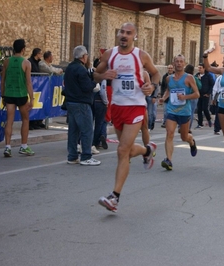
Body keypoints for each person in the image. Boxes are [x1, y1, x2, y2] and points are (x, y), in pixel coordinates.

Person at [95, 22, 161, 213]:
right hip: (117, 107)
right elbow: (95, 75)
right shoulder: (110, 54)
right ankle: (147, 151)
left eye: (128, 33)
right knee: (128, 150)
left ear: (135, 37)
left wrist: (153, 87)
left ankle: (114, 197)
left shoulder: (141, 56)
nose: (124, 35)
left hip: (136, 106)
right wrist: (104, 75)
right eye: (121, 32)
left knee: (122, 150)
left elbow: (156, 74)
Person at [158, 55, 200, 170]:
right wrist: (164, 98)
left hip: (184, 111)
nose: (179, 63)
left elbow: (197, 94)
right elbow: (169, 90)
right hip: (171, 110)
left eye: (181, 61)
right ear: (173, 63)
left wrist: (184, 97)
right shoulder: (169, 78)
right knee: (169, 133)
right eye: (177, 61)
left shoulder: (189, 78)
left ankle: (191, 142)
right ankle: (169, 160)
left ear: (184, 63)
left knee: (184, 136)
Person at [64, 46, 102, 165]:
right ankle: (86, 156)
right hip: (81, 103)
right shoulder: (81, 69)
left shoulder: (70, 67)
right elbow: (86, 87)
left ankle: (72, 156)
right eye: (86, 55)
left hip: (70, 102)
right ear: (83, 56)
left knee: (73, 131)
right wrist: (95, 81)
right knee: (87, 130)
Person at [0, 39, 35, 157]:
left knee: (9, 121)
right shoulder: (26, 63)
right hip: (21, 95)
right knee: (25, 120)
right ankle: (24, 146)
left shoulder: (6, 61)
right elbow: (28, 83)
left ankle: (7, 147)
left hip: (9, 94)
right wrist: (32, 98)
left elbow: (3, 80)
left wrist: (2, 95)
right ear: (23, 49)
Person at [195, 63, 214, 128]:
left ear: (204, 68)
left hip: (206, 94)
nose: (199, 69)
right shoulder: (197, 75)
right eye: (198, 68)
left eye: (200, 68)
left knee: (205, 108)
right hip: (199, 94)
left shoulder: (208, 76)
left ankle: (209, 120)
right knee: (199, 109)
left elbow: (212, 85)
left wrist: (208, 93)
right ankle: (200, 123)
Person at [184, 64, 200, 131]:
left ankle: (182, 127)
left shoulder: (184, 77)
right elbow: (200, 86)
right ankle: (188, 128)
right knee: (191, 112)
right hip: (193, 96)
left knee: (184, 111)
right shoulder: (194, 78)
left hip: (185, 96)